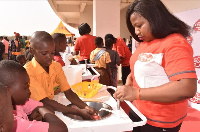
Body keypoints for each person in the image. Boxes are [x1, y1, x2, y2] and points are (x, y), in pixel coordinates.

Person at [113, 0, 197, 132]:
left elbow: (186, 87)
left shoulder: (174, 42)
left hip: (160, 120)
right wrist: (132, 77)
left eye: (139, 25)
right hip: (140, 110)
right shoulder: (146, 42)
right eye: (134, 27)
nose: (136, 32)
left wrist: (136, 93)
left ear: (156, 19)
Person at [24, 31, 97, 120]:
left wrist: (86, 107)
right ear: (32, 50)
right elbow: (45, 101)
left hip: (49, 106)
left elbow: (68, 92)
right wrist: (78, 112)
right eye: (44, 53)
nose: (49, 57)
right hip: (33, 113)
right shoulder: (28, 71)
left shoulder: (56, 66)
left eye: (52, 53)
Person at [0, 60, 68, 132]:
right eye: (25, 87)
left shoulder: (19, 104)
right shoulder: (15, 122)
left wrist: (32, 116)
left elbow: (48, 108)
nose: (29, 91)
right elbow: (61, 129)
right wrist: (40, 109)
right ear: (7, 91)